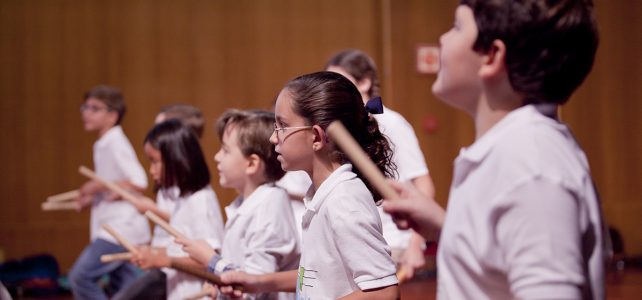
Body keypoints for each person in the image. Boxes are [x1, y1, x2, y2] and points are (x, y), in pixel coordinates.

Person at [382, 1, 605, 299]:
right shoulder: (515, 151)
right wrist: (443, 227)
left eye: (457, 27)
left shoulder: (531, 163)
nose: (443, 38)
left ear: (492, 55)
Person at [217, 72, 400, 299]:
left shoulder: (344, 200)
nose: (274, 138)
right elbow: (317, 274)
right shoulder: (325, 194)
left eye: (282, 126)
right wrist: (258, 282)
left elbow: (384, 291)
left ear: (315, 137)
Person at [326, 49, 435, 279]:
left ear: (364, 82)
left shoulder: (392, 123)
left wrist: (416, 244)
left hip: (392, 242)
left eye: (341, 82)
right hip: (356, 236)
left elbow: (424, 185)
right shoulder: (341, 126)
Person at [177, 109, 300, 299]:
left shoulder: (270, 205)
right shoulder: (250, 203)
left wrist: (211, 259)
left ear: (251, 164)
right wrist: (217, 284)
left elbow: (255, 285)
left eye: (225, 150)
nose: (217, 157)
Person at [116, 119, 225, 300]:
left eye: (155, 161)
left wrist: (164, 261)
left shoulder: (200, 201)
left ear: (177, 158)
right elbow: (182, 251)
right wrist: (152, 254)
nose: (151, 170)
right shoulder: (184, 199)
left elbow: (211, 261)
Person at [69, 85, 150, 300]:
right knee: (125, 291)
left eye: (94, 108)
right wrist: (91, 197)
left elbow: (139, 180)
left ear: (113, 115)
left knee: (80, 277)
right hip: (118, 227)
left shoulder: (115, 141)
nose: (86, 112)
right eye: (85, 107)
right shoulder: (104, 143)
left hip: (121, 228)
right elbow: (116, 185)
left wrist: (95, 186)